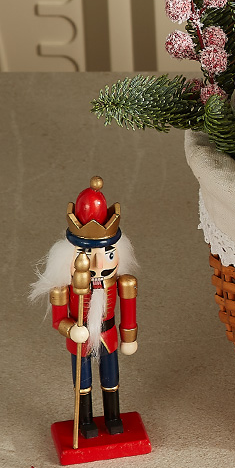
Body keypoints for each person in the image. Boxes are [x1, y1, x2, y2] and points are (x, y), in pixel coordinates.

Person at [30, 177, 137, 438]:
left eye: (108, 253)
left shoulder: (122, 282)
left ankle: (113, 417)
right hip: (80, 339)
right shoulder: (63, 289)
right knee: (83, 383)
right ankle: (85, 422)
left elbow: (129, 311)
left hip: (109, 335)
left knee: (111, 380)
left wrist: (129, 337)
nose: (100, 262)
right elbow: (58, 320)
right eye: (89, 255)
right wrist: (71, 330)